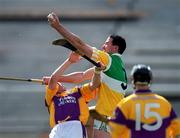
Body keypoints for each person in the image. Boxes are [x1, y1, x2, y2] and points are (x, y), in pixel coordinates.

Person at [43, 52, 105, 138]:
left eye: (59, 82)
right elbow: (53, 79)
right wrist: (69, 61)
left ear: (63, 86)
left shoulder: (77, 92)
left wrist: (97, 72)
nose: (57, 83)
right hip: (57, 128)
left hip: (75, 126)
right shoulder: (51, 97)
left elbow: (94, 85)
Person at [109, 64, 180, 138]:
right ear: (150, 80)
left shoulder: (125, 104)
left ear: (133, 80)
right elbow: (177, 131)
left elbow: (114, 131)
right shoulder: (164, 103)